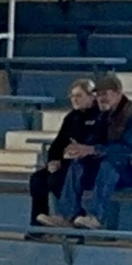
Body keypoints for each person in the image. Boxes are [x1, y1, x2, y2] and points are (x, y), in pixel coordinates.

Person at [52, 73, 132, 230]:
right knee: (79, 162)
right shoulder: (104, 115)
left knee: (111, 162)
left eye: (105, 94)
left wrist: (92, 149)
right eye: (98, 95)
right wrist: (80, 149)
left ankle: (96, 216)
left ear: (118, 93)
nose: (100, 98)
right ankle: (68, 215)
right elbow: (95, 143)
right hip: (121, 168)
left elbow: (127, 149)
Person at [30, 78, 105, 227]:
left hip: (87, 165)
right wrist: (53, 160)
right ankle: (37, 226)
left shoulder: (101, 117)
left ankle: (73, 216)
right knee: (38, 179)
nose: (74, 100)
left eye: (79, 96)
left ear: (92, 96)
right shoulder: (72, 117)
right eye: (72, 96)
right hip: (66, 163)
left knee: (57, 179)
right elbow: (58, 143)